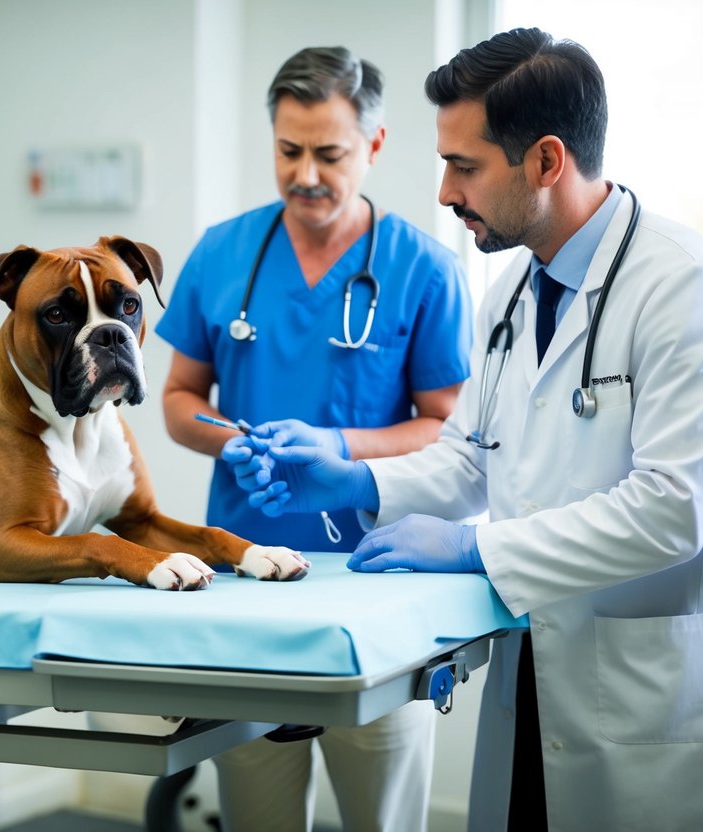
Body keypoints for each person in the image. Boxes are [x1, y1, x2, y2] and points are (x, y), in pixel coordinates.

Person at [229, 28, 703, 832]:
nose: (444, 191)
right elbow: (467, 461)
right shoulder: (511, 292)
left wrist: (477, 548)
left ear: (545, 161)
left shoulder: (677, 285)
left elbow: (673, 508)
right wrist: (355, 479)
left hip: (636, 686)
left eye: (464, 166)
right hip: (530, 665)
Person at [155, 47, 473, 832]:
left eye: (327, 154)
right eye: (287, 150)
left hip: (376, 582)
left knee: (383, 817)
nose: (304, 174)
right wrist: (225, 441)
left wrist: (339, 448)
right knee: (256, 811)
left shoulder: (422, 269)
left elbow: (447, 427)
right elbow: (178, 398)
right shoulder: (222, 253)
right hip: (242, 581)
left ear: (372, 146)